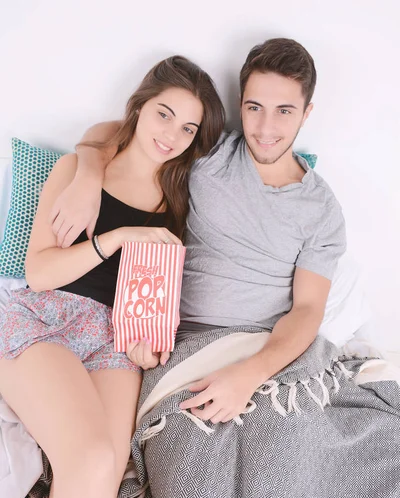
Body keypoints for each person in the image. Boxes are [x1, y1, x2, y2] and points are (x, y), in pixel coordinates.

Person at [0, 55, 224, 498]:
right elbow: (40, 271)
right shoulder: (79, 174)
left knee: (100, 486)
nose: (171, 135)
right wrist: (116, 234)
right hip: (43, 316)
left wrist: (152, 345)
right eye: (163, 114)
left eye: (187, 127)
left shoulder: (181, 199)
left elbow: (159, 295)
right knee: (94, 458)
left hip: (114, 341)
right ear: (140, 107)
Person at [51, 38, 346, 419]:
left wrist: (249, 375)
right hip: (188, 344)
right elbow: (124, 131)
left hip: (265, 350)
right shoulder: (209, 154)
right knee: (192, 458)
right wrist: (87, 176)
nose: (266, 127)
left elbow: (307, 310)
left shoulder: (322, 209)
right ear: (240, 105)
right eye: (254, 108)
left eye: (284, 111)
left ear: (306, 113)